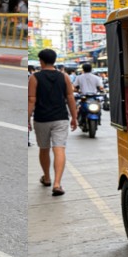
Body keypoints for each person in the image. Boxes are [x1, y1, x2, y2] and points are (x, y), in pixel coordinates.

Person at [28, 48, 78, 196]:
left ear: (41, 61)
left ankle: (47, 178)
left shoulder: (34, 77)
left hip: (42, 119)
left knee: (44, 148)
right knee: (59, 149)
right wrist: (74, 117)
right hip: (60, 118)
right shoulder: (64, 77)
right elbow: (70, 97)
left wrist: (27, 118)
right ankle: (57, 184)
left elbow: (31, 99)